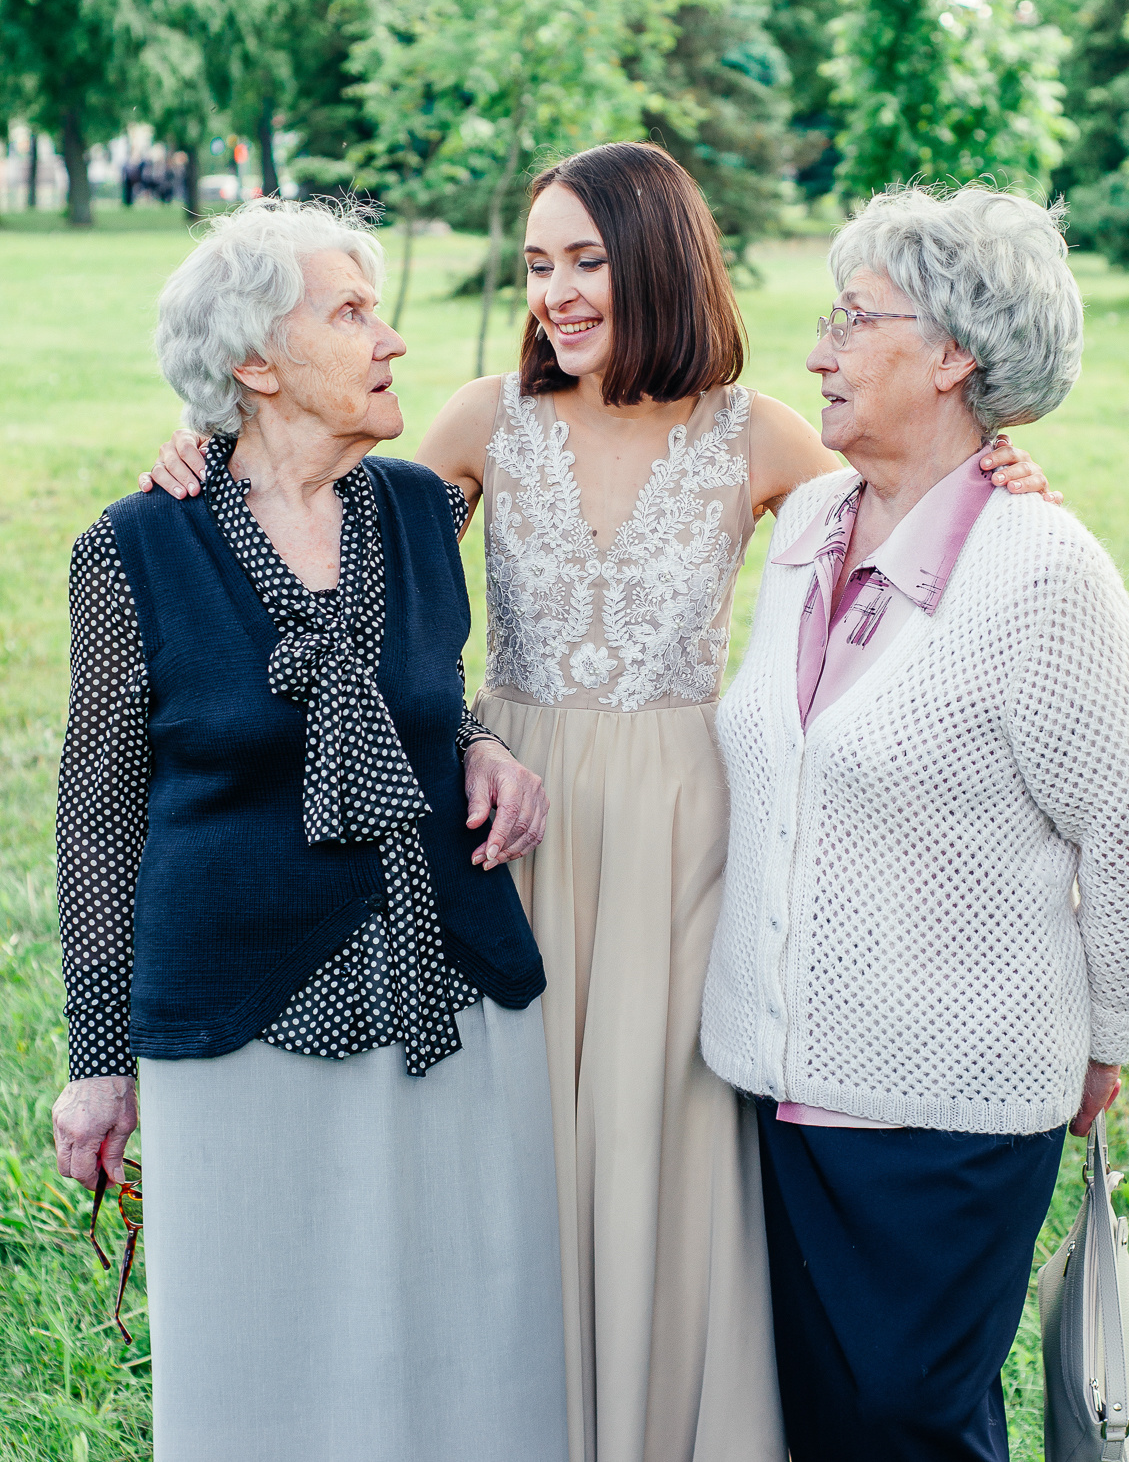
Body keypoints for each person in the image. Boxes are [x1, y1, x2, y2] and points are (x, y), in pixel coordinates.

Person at [144, 147, 1051, 1462]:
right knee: (516, 1139)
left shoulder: (756, 435)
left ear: (660, 261)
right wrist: (209, 445)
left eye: (586, 260)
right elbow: (324, 539)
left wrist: (998, 475)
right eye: (535, 264)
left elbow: (913, 505)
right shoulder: (479, 421)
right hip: (509, 812)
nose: (556, 292)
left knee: (664, 1144)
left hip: (687, 827)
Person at [52, 199, 568, 1462]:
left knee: (474, 1326)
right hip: (235, 1010)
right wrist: (98, 1053)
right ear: (255, 362)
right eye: (351, 312)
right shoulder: (135, 547)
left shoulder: (410, 508)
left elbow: (427, 698)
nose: (391, 339)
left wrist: (482, 743)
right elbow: (98, 810)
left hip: (445, 987)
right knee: (259, 1351)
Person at [701, 184, 1129, 1462]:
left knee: (909, 1429)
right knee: (821, 1427)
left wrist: (1108, 1039)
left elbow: (1119, 824)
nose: (817, 350)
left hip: (944, 1111)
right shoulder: (815, 521)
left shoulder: (1043, 571)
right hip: (775, 1091)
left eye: (852, 318)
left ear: (955, 356)